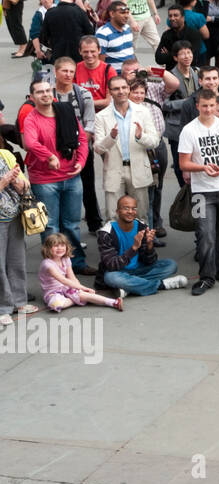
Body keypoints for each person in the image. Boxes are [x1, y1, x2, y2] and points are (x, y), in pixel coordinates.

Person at [178, 89, 219, 295]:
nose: (208, 109)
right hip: (201, 192)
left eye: (211, 105)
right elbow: (183, 163)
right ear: (197, 106)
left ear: (216, 105)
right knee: (205, 234)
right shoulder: (189, 130)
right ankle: (206, 276)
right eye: (204, 106)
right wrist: (203, 168)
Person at [23, 78, 91, 273]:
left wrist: (81, 161)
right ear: (32, 97)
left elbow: (82, 139)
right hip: (45, 181)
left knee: (72, 224)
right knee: (50, 227)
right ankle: (54, 268)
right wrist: (49, 156)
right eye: (39, 92)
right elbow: (30, 143)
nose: (45, 94)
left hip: (71, 176)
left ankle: (76, 263)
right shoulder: (31, 119)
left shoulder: (66, 111)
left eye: (47, 90)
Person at [93, 73, 160, 218]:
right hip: (114, 169)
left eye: (124, 87)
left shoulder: (143, 112)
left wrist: (140, 136)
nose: (121, 91)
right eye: (116, 89)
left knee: (141, 215)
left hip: (138, 169)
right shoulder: (101, 116)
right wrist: (110, 137)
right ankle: (115, 241)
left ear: (129, 89)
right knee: (113, 216)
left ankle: (141, 240)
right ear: (110, 92)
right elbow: (98, 148)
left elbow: (155, 141)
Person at [95, 195, 186, 297]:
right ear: (118, 211)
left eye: (133, 208)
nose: (130, 211)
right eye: (126, 208)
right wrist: (133, 248)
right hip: (118, 272)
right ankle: (161, 285)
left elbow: (150, 261)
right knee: (111, 278)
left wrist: (149, 245)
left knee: (171, 265)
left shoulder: (141, 227)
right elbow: (112, 265)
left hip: (139, 269)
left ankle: (129, 288)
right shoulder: (106, 233)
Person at [40, 234, 123, 313]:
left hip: (65, 288)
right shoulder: (48, 264)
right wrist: (82, 288)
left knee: (82, 294)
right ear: (48, 248)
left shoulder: (65, 259)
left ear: (66, 246)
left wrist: (80, 289)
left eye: (62, 245)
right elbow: (63, 280)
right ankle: (74, 299)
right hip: (53, 292)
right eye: (56, 246)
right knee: (55, 304)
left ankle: (113, 302)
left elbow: (72, 277)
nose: (60, 248)